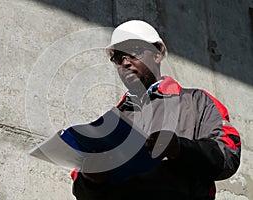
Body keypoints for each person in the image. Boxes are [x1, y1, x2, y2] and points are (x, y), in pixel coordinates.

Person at [70, 20, 241, 200]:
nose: (125, 63)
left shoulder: (197, 102)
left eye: (133, 52)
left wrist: (179, 148)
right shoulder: (110, 124)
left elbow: (228, 154)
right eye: (119, 58)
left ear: (157, 55)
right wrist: (91, 180)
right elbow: (83, 194)